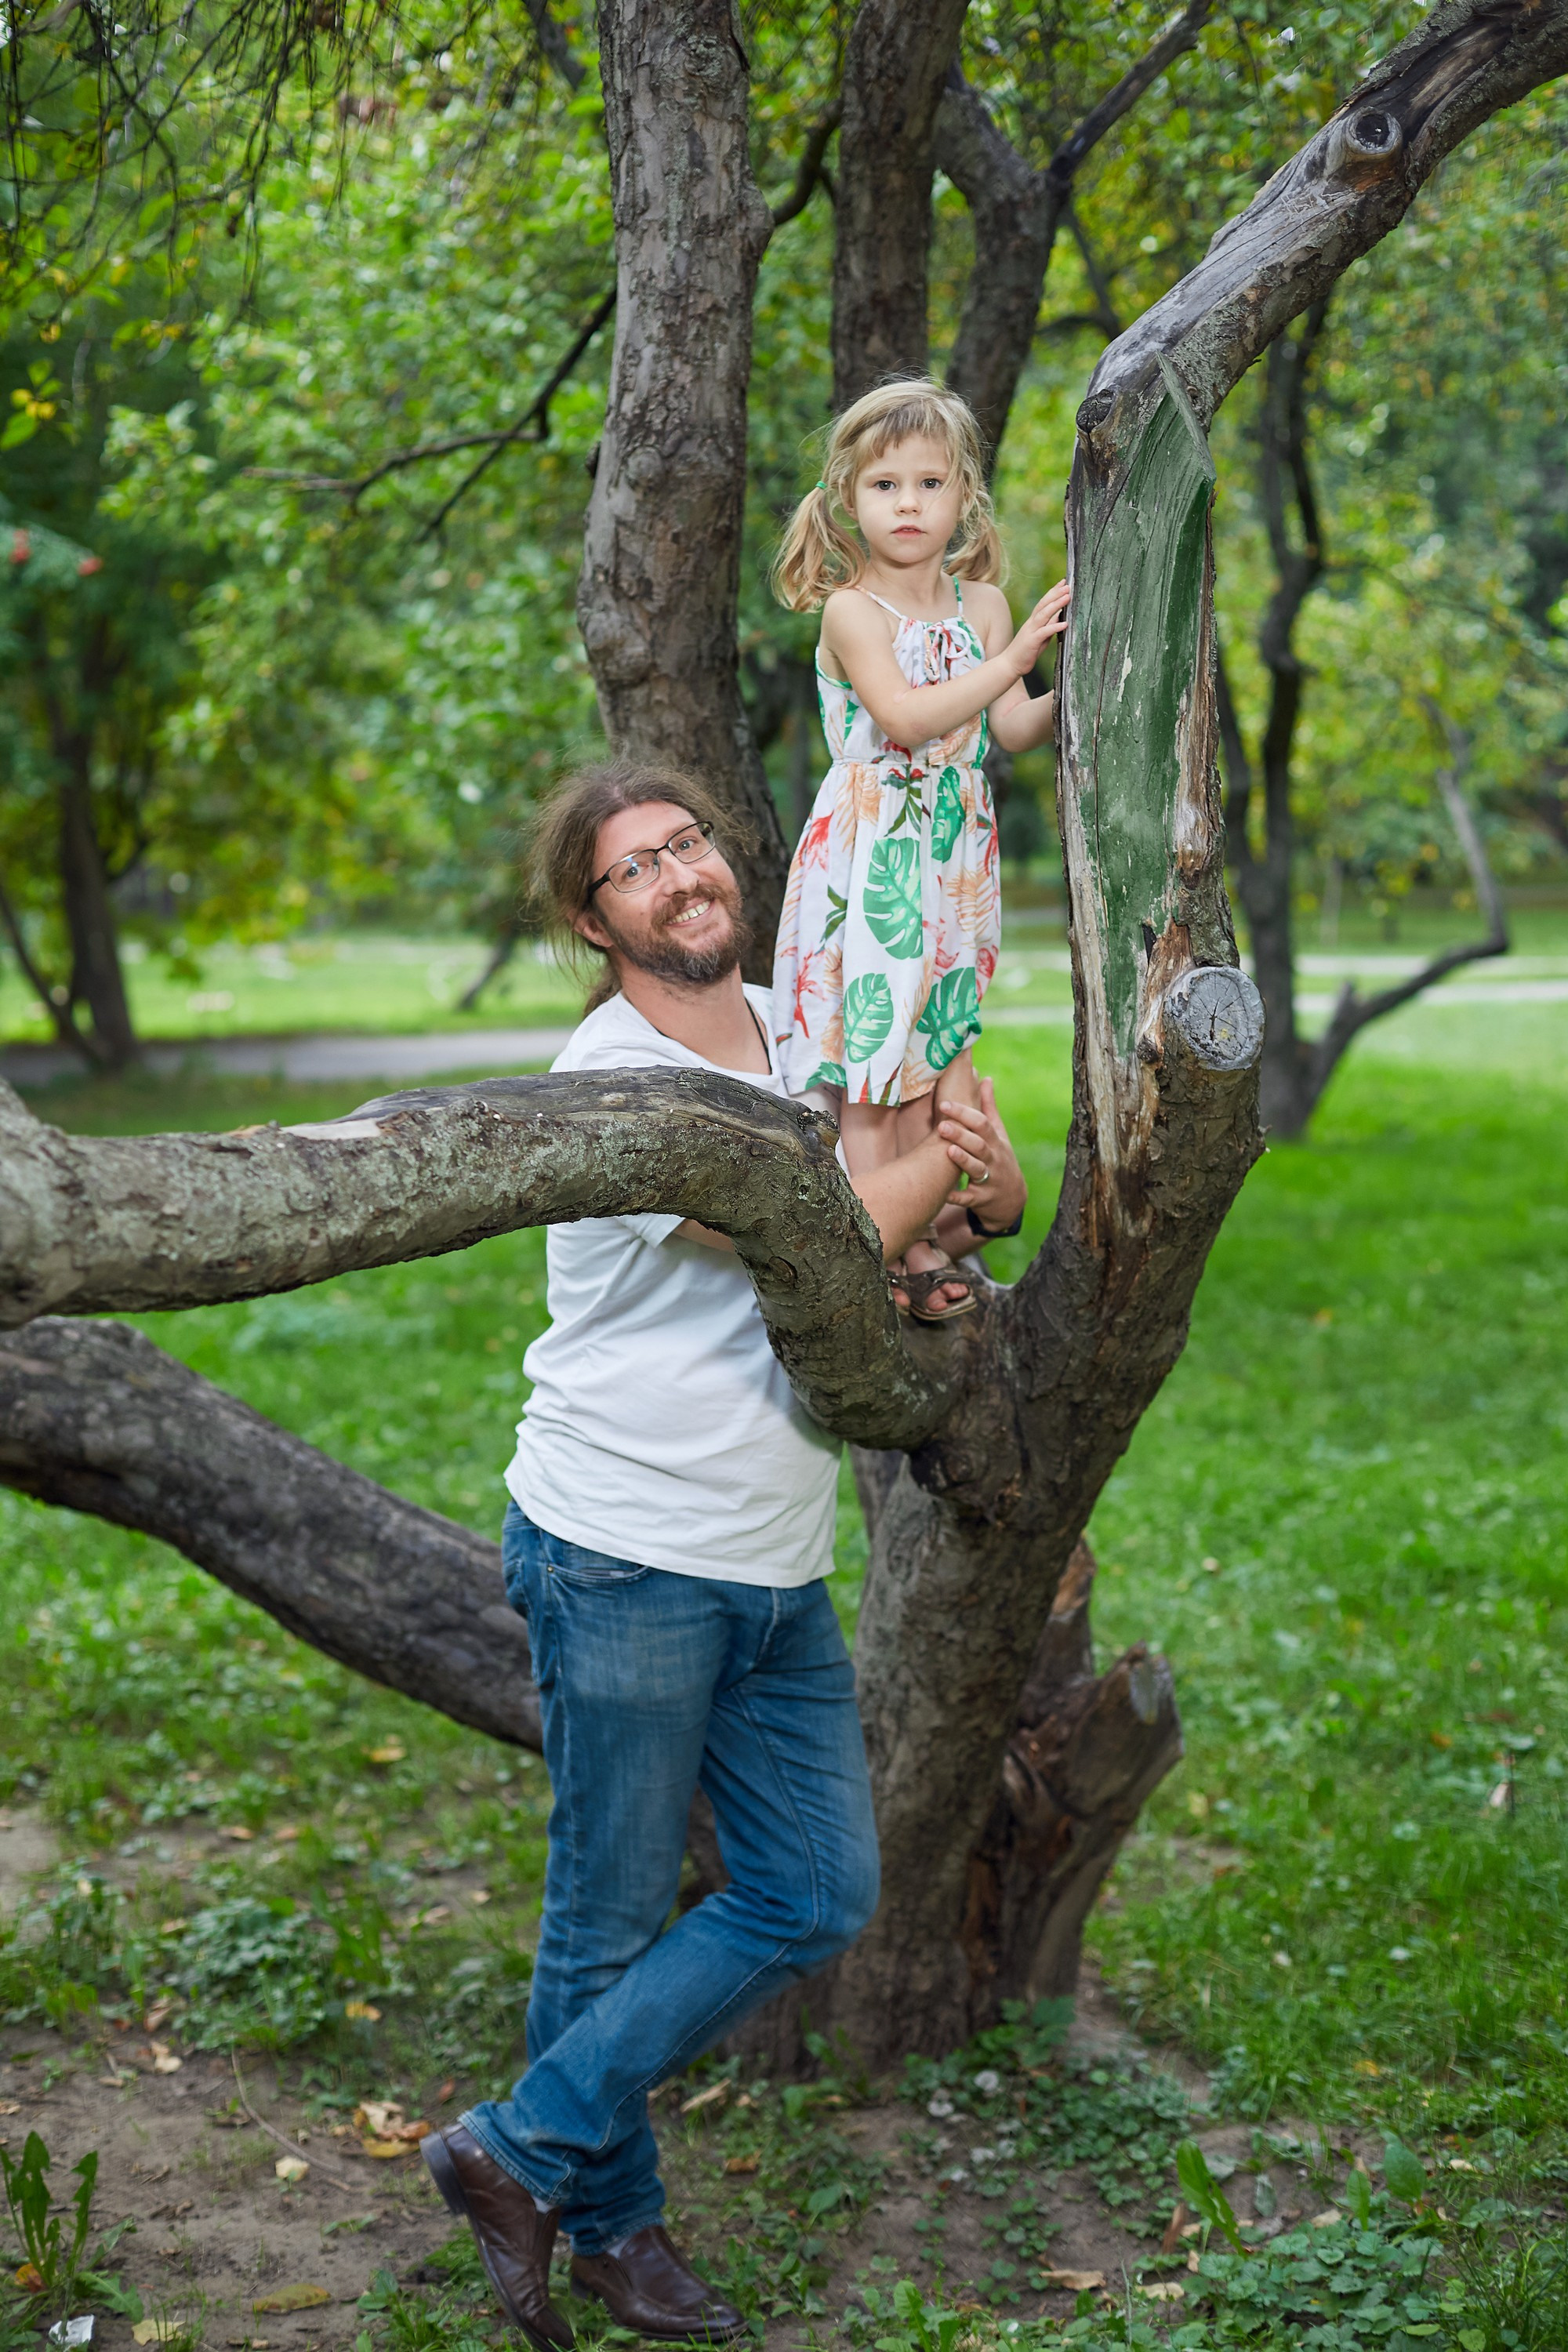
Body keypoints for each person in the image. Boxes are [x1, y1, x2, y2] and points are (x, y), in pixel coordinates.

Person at [420, 760, 1028, 2351]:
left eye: (689, 843)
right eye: (638, 866)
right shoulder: (607, 1087)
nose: (684, 874)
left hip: (772, 1553)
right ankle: (613, 2232)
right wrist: (936, 1179)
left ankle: (519, 2147)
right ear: (588, 916)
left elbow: (943, 1217)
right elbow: (809, 1229)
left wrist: (962, 1202)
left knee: (818, 1889)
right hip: (622, 1543)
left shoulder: (811, 1022)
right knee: (605, 1917)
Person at [770, 377, 1069, 1321]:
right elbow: (902, 719)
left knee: (932, 1048)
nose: (907, 504)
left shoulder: (981, 603)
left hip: (954, 857)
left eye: (928, 484)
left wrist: (1087, 673)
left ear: (963, 495)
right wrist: (1012, 658)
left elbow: (1012, 731)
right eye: (885, 485)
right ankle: (879, 1254)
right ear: (848, 501)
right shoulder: (853, 612)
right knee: (871, 1053)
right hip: (876, 857)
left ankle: (927, 1232)